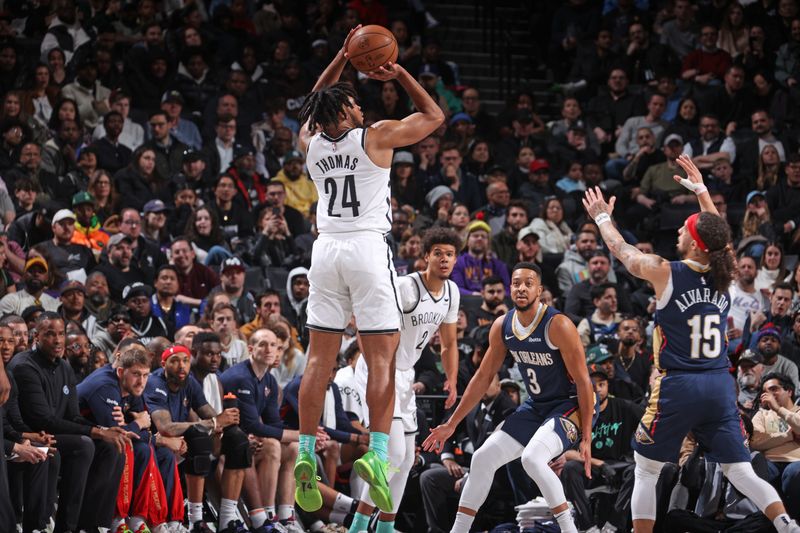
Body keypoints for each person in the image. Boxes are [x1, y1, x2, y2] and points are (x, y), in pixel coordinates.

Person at [581, 154, 800, 533]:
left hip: (678, 384)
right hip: (718, 384)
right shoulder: (727, 271)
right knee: (739, 469)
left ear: (695, 244)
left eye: (684, 228)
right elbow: (722, 237)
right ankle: (786, 524)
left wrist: (602, 216)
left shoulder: (666, 272)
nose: (678, 231)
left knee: (646, 468)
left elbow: (621, 250)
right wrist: (701, 190)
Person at [293, 24, 444, 514]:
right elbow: (433, 115)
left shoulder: (312, 145)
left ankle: (304, 452)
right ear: (347, 113)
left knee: (319, 359)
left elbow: (313, 103)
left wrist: (341, 55)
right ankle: (379, 457)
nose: (363, 107)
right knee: (382, 357)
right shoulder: (375, 137)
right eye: (355, 103)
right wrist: (398, 72)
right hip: (366, 249)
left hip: (325, 251)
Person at [422, 262, 596, 533]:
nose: (522, 288)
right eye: (516, 283)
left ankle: (569, 530)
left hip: (569, 406)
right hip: (536, 406)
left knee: (532, 459)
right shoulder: (502, 326)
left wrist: (586, 437)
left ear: (539, 290)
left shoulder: (558, 324)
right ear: (509, 289)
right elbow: (481, 378)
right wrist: (451, 424)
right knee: (481, 458)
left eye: (528, 283)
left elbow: (585, 383)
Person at [349, 227, 462, 533]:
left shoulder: (452, 292)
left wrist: (450, 378)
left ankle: (385, 527)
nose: (444, 259)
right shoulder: (405, 287)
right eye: (437, 252)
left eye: (449, 254)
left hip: (404, 374)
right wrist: (372, 360)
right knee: (395, 452)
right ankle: (358, 525)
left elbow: (449, 343)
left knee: (409, 457)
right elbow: (366, 316)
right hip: (379, 369)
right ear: (425, 256)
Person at [144, 344, 247, 533]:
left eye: (185, 361)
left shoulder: (189, 382)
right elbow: (166, 428)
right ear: (163, 363)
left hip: (180, 441)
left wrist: (227, 422)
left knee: (238, 440)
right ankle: (195, 520)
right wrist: (215, 422)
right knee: (199, 438)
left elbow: (209, 413)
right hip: (155, 441)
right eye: (174, 361)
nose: (181, 366)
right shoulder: (154, 383)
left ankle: (227, 518)